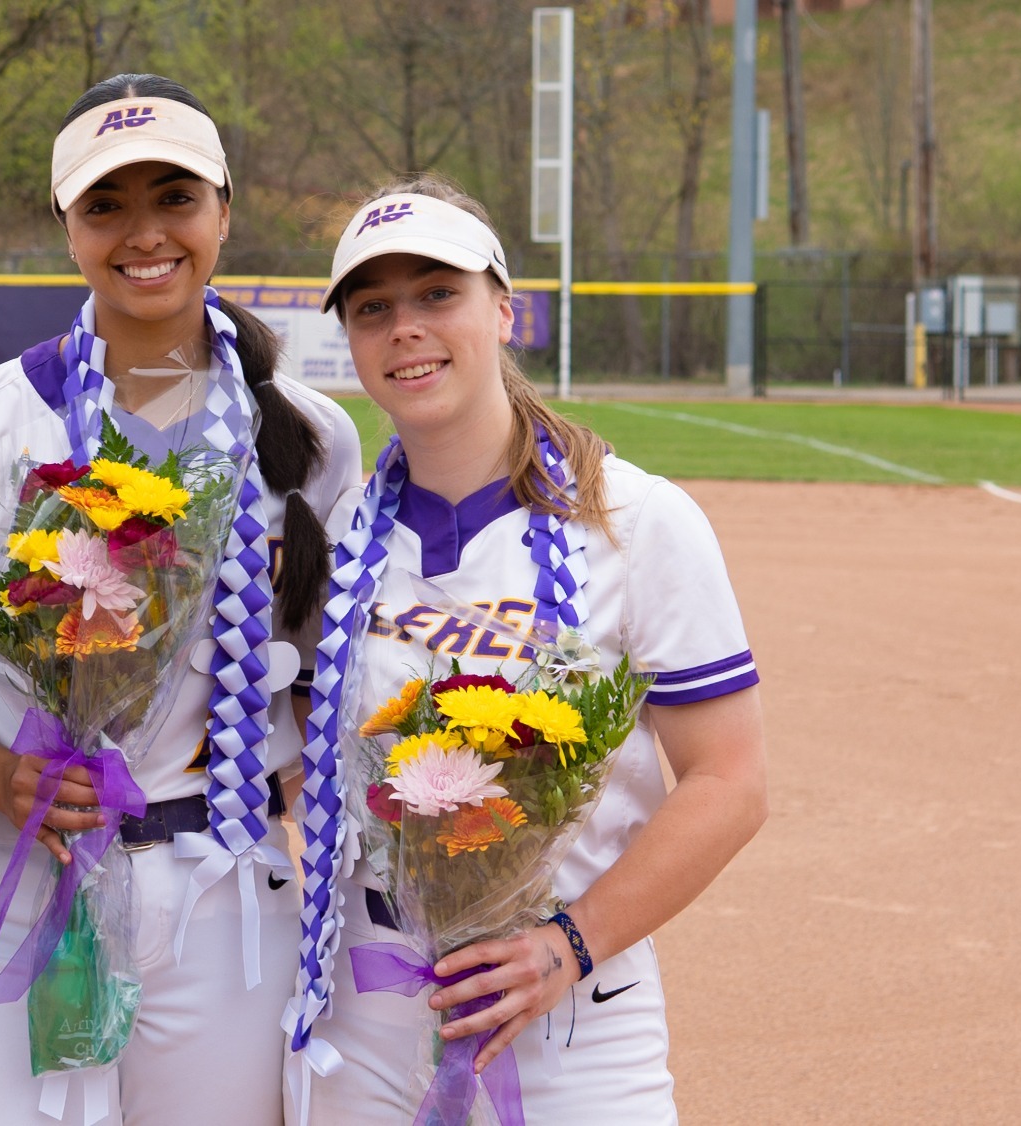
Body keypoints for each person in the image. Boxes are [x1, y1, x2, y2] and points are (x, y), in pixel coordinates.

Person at [0, 74, 362, 1126]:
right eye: (106, 204)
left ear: (224, 210)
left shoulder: (314, 435)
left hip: (226, 893)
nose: (143, 233)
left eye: (175, 197)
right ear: (66, 227)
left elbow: (311, 674)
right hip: (17, 877)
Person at [285, 175, 769, 1123]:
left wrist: (566, 945)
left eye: (437, 293)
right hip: (370, 1002)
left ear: (505, 311)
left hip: (572, 1013)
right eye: (373, 307)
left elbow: (731, 780)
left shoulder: (637, 520)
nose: (405, 328)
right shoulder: (342, 532)